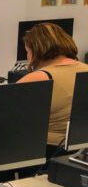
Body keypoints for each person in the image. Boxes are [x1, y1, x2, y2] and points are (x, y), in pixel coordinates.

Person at [18, 22, 88, 154]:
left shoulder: (38, 78)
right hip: (79, 150)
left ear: (36, 50)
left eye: (27, 51)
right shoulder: (86, 69)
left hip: (45, 151)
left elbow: (6, 120)